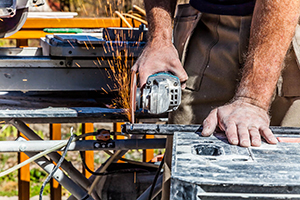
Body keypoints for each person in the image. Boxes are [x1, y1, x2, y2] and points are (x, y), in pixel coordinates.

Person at [132, 0, 300, 147]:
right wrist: (159, 39)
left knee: (283, 164)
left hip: (281, 28)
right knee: (187, 160)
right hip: (206, 29)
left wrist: (252, 100)